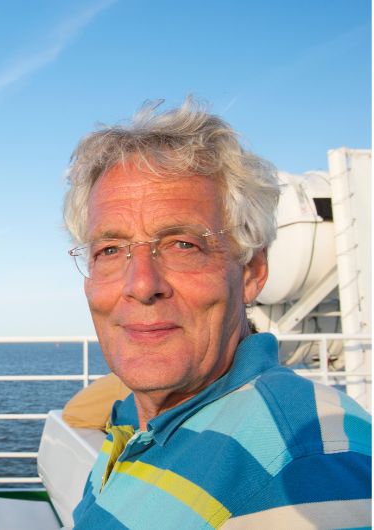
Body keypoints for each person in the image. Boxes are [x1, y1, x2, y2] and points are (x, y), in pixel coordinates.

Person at [62, 98, 371, 529]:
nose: (140, 284)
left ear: (251, 272)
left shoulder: (307, 465)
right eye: (110, 250)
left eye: (183, 244)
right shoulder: (140, 417)